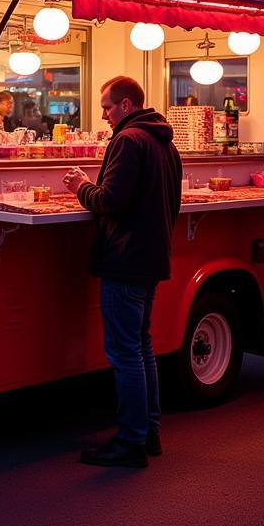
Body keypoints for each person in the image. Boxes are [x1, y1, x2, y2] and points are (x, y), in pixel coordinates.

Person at [62, 75, 182, 468]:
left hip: (125, 257)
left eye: (108, 107)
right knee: (141, 346)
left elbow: (110, 199)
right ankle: (148, 432)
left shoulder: (129, 141)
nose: (103, 115)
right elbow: (173, 201)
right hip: (151, 256)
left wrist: (80, 185)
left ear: (126, 105)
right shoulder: (164, 140)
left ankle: (131, 441)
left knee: (125, 352)